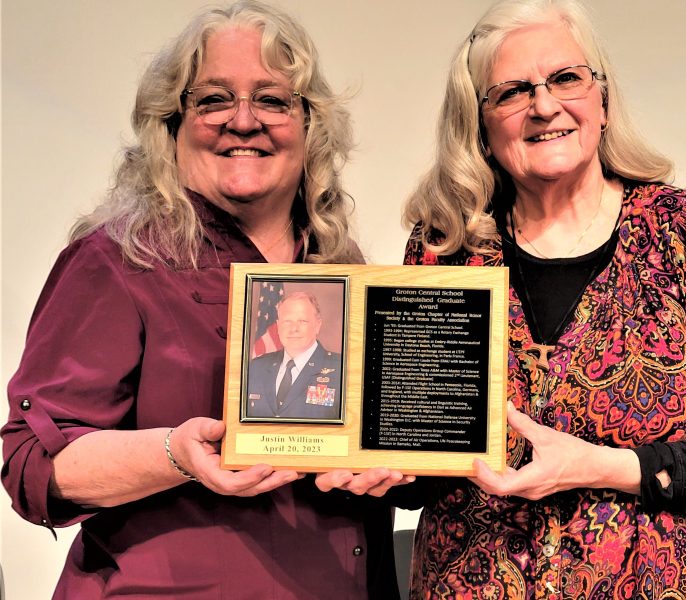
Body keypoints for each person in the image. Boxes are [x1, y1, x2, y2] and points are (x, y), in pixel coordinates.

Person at [1, 1, 405, 598]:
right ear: (173, 123)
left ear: (310, 125)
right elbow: (34, 461)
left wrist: (393, 466)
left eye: (272, 99)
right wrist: (174, 453)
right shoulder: (118, 258)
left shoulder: (342, 273)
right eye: (214, 99)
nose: (244, 121)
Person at [401, 0, 686, 597]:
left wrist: (606, 467)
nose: (543, 105)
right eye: (511, 92)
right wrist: (379, 467)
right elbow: (425, 470)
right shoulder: (445, 251)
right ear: (479, 124)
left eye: (566, 78)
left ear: (602, 102)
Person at [248, 291, 343, 420]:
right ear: (278, 325)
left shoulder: (340, 370)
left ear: (317, 325)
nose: (294, 329)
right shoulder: (256, 368)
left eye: (302, 321)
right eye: (287, 321)